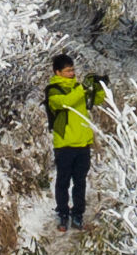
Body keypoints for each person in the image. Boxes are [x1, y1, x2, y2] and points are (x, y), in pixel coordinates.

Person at [43, 53, 104, 232]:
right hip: (64, 145)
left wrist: (98, 87)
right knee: (63, 181)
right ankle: (62, 213)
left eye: (73, 70)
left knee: (80, 182)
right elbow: (66, 103)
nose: (72, 73)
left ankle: (78, 213)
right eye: (68, 71)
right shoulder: (53, 90)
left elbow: (96, 100)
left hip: (83, 144)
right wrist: (82, 88)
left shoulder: (79, 88)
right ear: (58, 72)